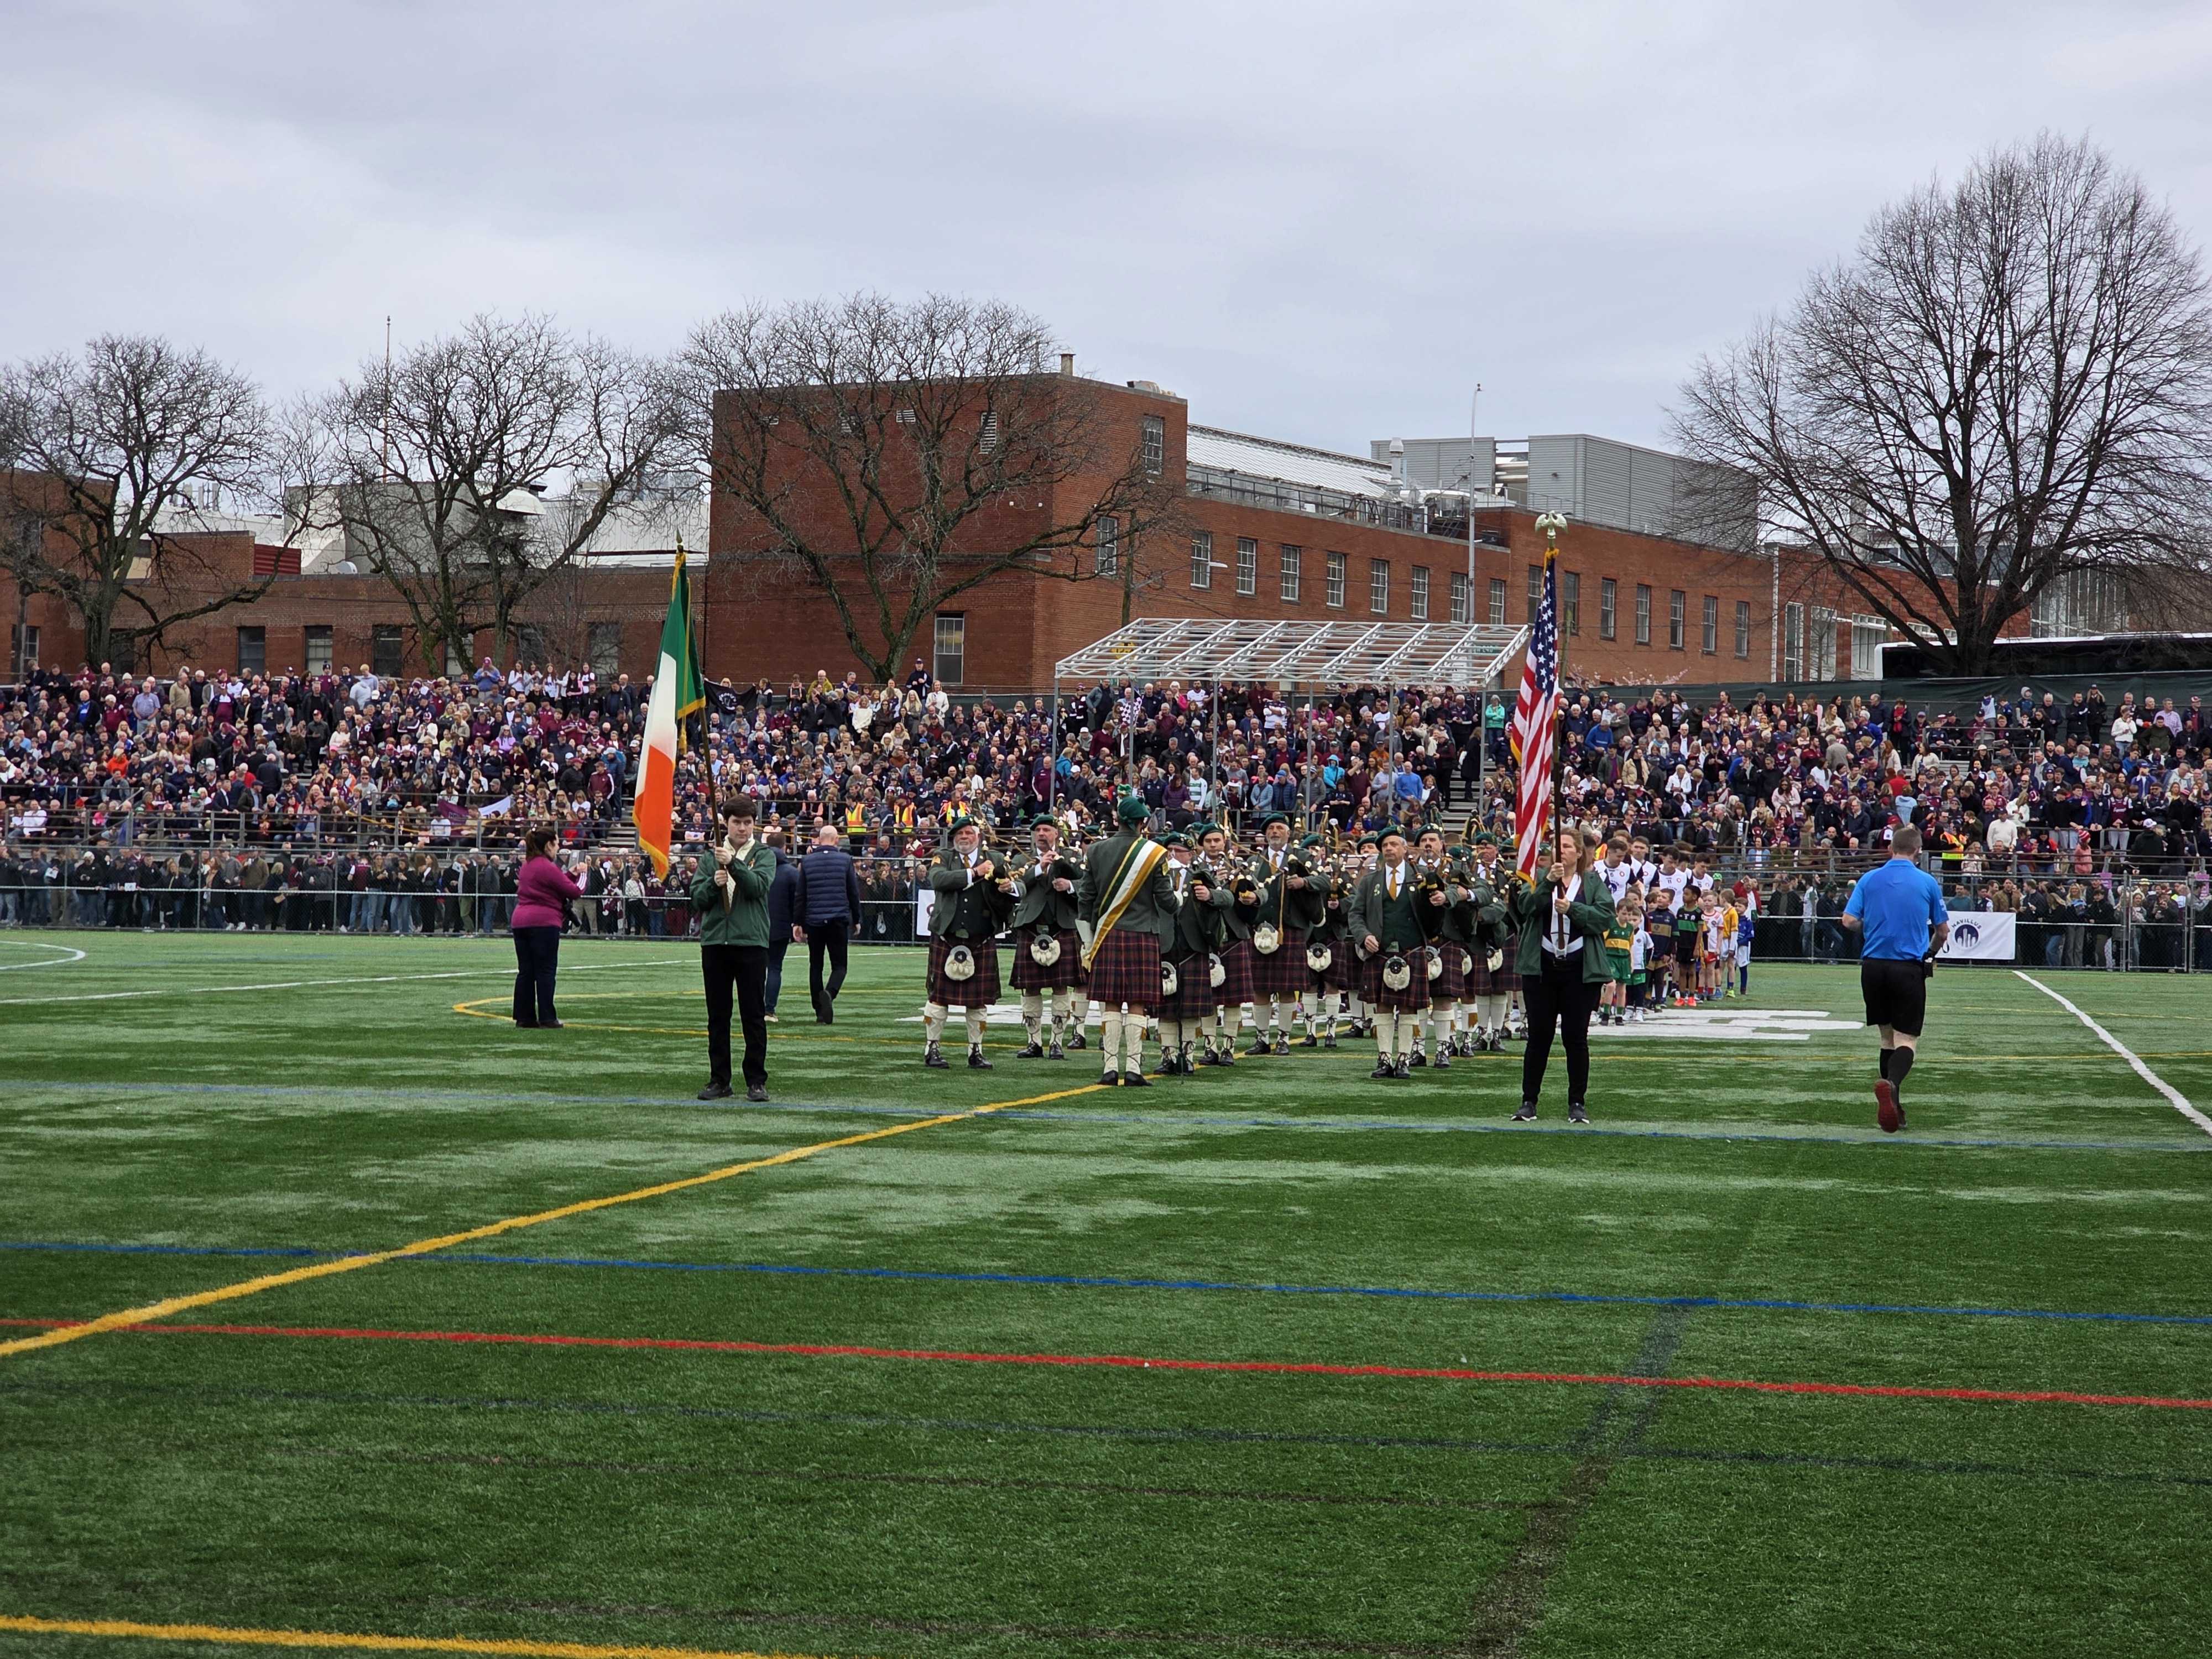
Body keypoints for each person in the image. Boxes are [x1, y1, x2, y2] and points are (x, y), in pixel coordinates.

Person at [1841, 823, 1949, 1134]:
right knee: (1907, 1040)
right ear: (1918, 851)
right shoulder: (1927, 882)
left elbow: (1849, 921)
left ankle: (1895, 1105)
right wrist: (1929, 953)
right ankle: (1891, 1084)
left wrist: (1873, 929)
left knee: (1886, 1037)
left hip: (1873, 967)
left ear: (1890, 848)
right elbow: (1942, 931)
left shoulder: (1869, 878)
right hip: (1907, 967)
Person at [1509, 825, 1616, 1124]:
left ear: (1580, 852)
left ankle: (1577, 1103)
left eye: (1569, 846)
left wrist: (1573, 910)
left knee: (1576, 1038)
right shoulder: (1539, 879)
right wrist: (1547, 884)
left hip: (1579, 969)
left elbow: (1605, 918)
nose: (1563, 851)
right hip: (1541, 967)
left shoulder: (1592, 882)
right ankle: (1529, 1101)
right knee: (1539, 1038)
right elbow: (1525, 908)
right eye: (1558, 846)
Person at [1077, 794, 1177, 1087]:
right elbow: (1166, 900)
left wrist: (1088, 940)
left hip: (1106, 935)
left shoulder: (1095, 851)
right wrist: (1180, 900)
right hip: (1143, 934)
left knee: (1110, 1002)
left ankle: (1109, 1068)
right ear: (1142, 823)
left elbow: (1086, 899)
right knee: (1137, 1002)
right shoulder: (1155, 853)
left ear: (1118, 819)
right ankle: (1133, 1069)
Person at [693, 797, 776, 1102]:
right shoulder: (708, 857)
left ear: (754, 824)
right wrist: (713, 885)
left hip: (752, 943)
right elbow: (697, 900)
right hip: (716, 943)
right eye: (736, 822)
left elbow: (757, 887)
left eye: (747, 823)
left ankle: (756, 1080)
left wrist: (733, 864)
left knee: (753, 1015)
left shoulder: (764, 854)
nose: (742, 828)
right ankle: (720, 1079)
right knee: (718, 1016)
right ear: (725, 823)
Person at [922, 816, 1016, 1069]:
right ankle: (932, 1049)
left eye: (969, 833)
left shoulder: (995, 859)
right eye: (959, 834)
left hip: (981, 936)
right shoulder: (943, 856)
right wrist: (975, 873)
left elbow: (1014, 889)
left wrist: (1010, 887)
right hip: (947, 935)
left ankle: (976, 1052)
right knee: (938, 997)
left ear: (978, 836)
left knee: (978, 1001)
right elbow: (939, 880)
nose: (964, 837)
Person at [1345, 824, 1436, 1079]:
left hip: (1412, 948)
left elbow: (1434, 911)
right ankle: (1384, 1059)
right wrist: (1364, 937)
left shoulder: (1420, 877)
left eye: (1394, 844)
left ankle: (1404, 1059)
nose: (1389, 849)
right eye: (1385, 846)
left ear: (1405, 849)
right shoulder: (1370, 881)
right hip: (1380, 951)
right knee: (1383, 1006)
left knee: (1408, 1007)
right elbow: (1356, 914)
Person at [1008, 817, 1086, 1058]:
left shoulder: (1073, 856)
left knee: (1061, 987)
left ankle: (1056, 1042)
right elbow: (1015, 885)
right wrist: (1039, 868)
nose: (1041, 834)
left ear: (1056, 833)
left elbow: (1087, 887)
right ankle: (1034, 1042)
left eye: (1047, 830)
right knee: (1030, 988)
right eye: (1038, 830)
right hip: (1031, 926)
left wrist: (1070, 885)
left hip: (1062, 926)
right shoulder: (1021, 859)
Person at [509, 825, 580, 1030]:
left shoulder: (528, 865)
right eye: (557, 844)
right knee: (546, 971)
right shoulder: (547, 866)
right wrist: (582, 875)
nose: (558, 848)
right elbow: (573, 892)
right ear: (549, 845)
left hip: (521, 921)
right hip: (544, 923)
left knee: (526, 971)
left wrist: (570, 874)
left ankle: (525, 1017)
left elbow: (554, 885)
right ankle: (548, 1017)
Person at [799, 821, 862, 1024]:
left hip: (814, 921)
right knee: (840, 965)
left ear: (818, 840)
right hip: (838, 919)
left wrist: (797, 922)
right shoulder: (845, 860)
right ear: (836, 840)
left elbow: (801, 895)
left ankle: (819, 1010)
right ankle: (830, 993)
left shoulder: (807, 862)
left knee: (815, 965)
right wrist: (857, 918)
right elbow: (853, 891)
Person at [762, 827, 800, 1022]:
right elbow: (798, 903)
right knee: (775, 968)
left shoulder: (757, 869)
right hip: (780, 928)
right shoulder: (792, 873)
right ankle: (769, 1010)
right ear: (785, 847)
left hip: (757, 926)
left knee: (757, 969)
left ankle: (755, 1009)